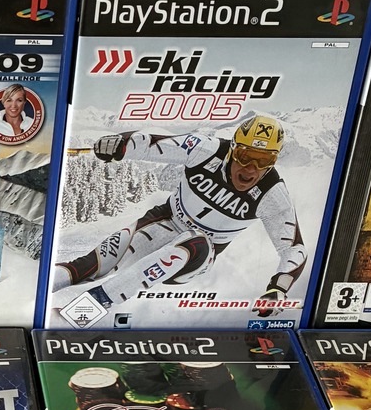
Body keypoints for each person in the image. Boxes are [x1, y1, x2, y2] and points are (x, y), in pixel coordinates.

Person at [54, 115, 305, 315]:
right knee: (92, 264)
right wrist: (120, 144)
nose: (251, 169)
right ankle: (39, 286)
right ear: (232, 149)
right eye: (245, 156)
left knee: (195, 240)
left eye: (264, 160)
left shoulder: (272, 194)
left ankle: (86, 310)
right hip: (163, 221)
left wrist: (278, 288)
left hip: (198, 255)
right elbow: (155, 144)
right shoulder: (206, 150)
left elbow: (294, 249)